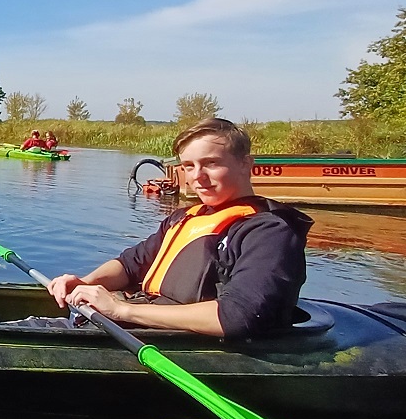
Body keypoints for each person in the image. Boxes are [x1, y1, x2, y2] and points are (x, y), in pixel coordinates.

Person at [44, 118, 312, 339]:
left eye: (211, 163)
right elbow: (129, 265)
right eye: (189, 166)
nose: (198, 176)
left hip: (173, 341)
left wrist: (121, 310)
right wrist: (85, 282)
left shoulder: (269, 232)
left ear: (246, 164)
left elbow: (237, 317)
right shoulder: (183, 218)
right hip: (137, 325)